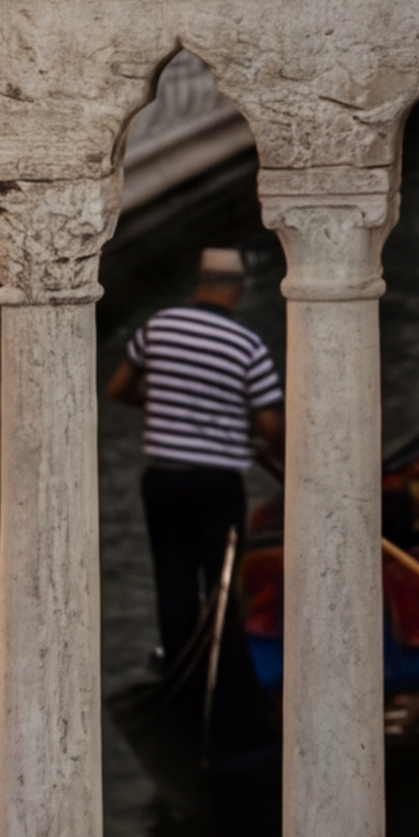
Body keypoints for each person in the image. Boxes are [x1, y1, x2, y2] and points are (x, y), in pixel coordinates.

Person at [104, 250, 281, 683]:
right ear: (238, 290)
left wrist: (161, 406)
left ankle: (182, 673)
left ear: (199, 283)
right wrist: (288, 458)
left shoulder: (159, 327)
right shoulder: (247, 346)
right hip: (216, 483)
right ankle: (231, 678)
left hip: (162, 479)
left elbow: (119, 388)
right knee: (222, 585)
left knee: (173, 577)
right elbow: (269, 423)